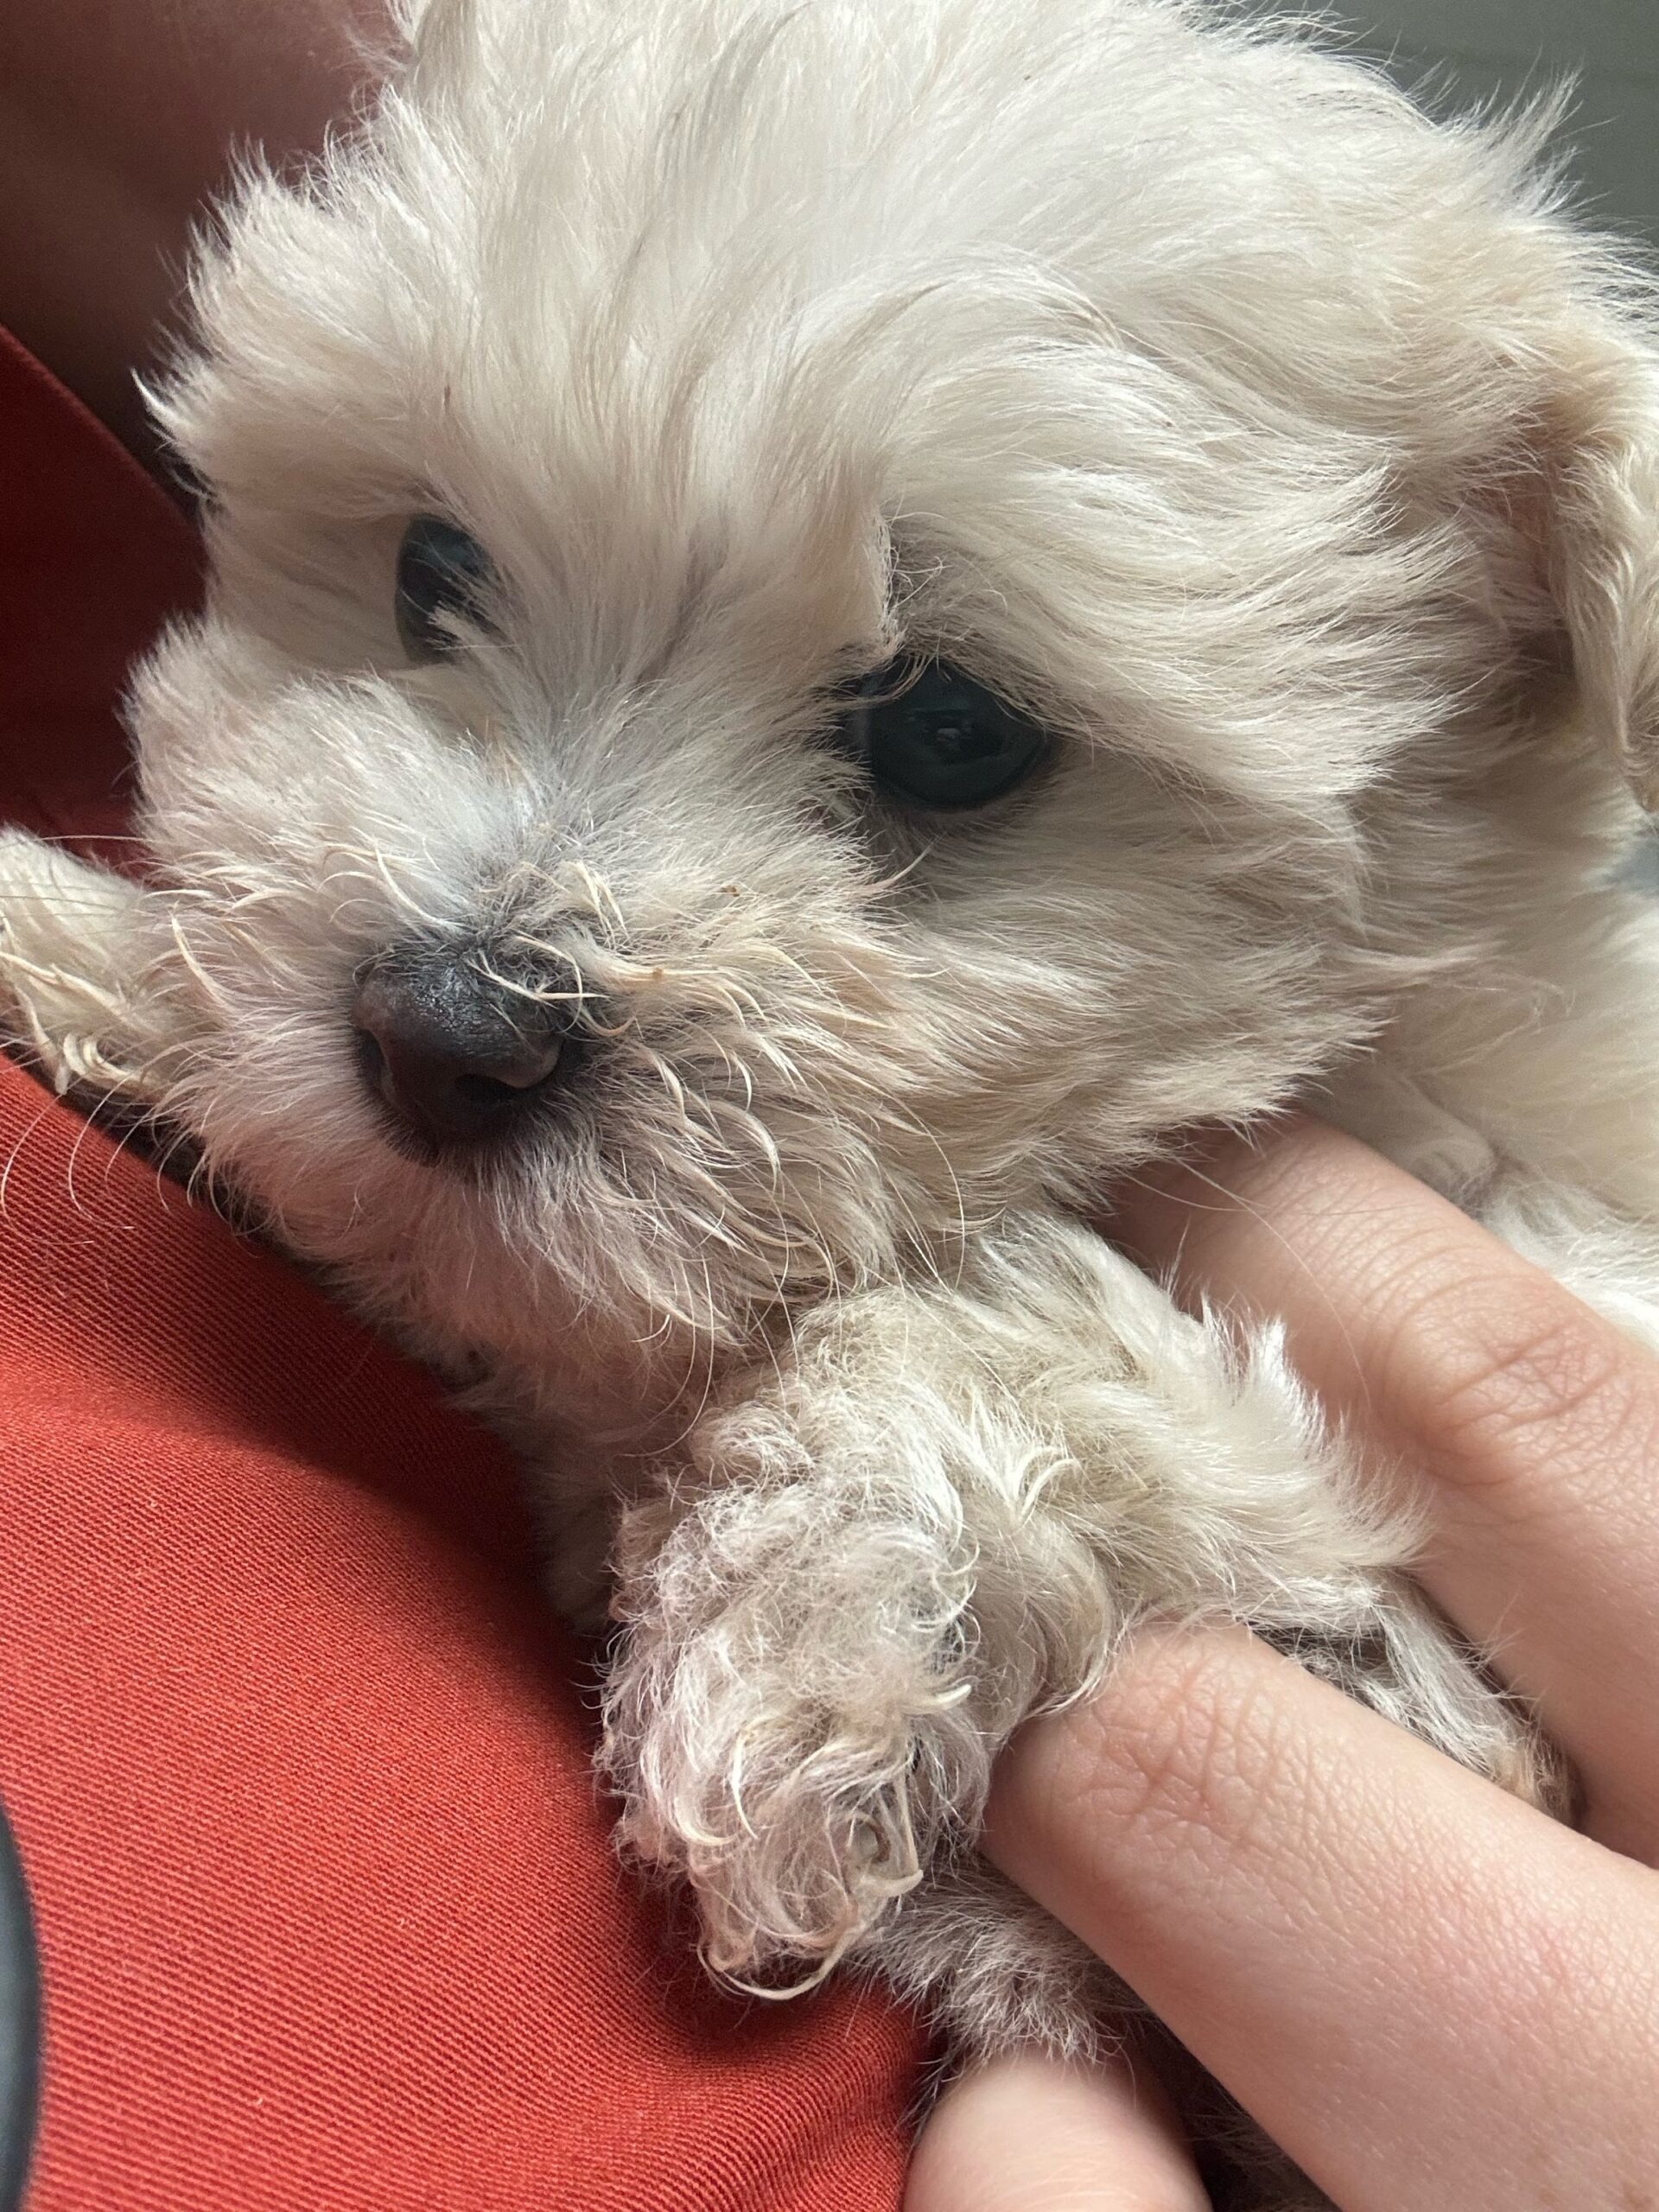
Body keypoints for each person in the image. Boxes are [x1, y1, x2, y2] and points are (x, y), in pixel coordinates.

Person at [6, 10, 1658, 2208]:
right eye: (442, 582)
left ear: (1514, 651)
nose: (459, 967)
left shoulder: (1531, 1224)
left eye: (943, 738)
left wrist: (1008, 1455)